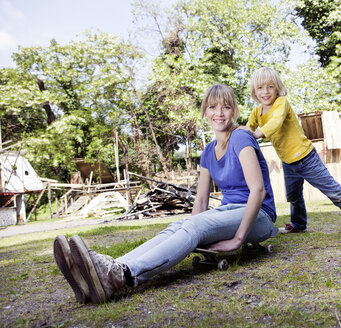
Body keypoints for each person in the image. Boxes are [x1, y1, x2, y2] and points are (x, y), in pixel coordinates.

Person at [53, 84, 278, 304]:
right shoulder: (208, 151)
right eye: (212, 107)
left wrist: (237, 240)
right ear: (204, 112)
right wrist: (190, 234)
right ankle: (107, 269)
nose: (219, 113)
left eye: (226, 107)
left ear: (234, 111)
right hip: (228, 213)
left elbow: (257, 190)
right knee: (178, 226)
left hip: (259, 216)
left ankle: (123, 275)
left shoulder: (241, 138)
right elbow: (200, 200)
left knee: (193, 227)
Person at [239, 67, 341, 242]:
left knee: (335, 193)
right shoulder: (255, 113)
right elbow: (247, 130)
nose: (265, 92)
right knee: (293, 197)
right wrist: (235, 133)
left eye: (270, 87)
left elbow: (275, 122)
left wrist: (258, 134)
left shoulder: (281, 103)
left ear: (277, 88)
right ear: (254, 91)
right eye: (260, 88)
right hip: (288, 162)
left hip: (306, 157)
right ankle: (298, 224)